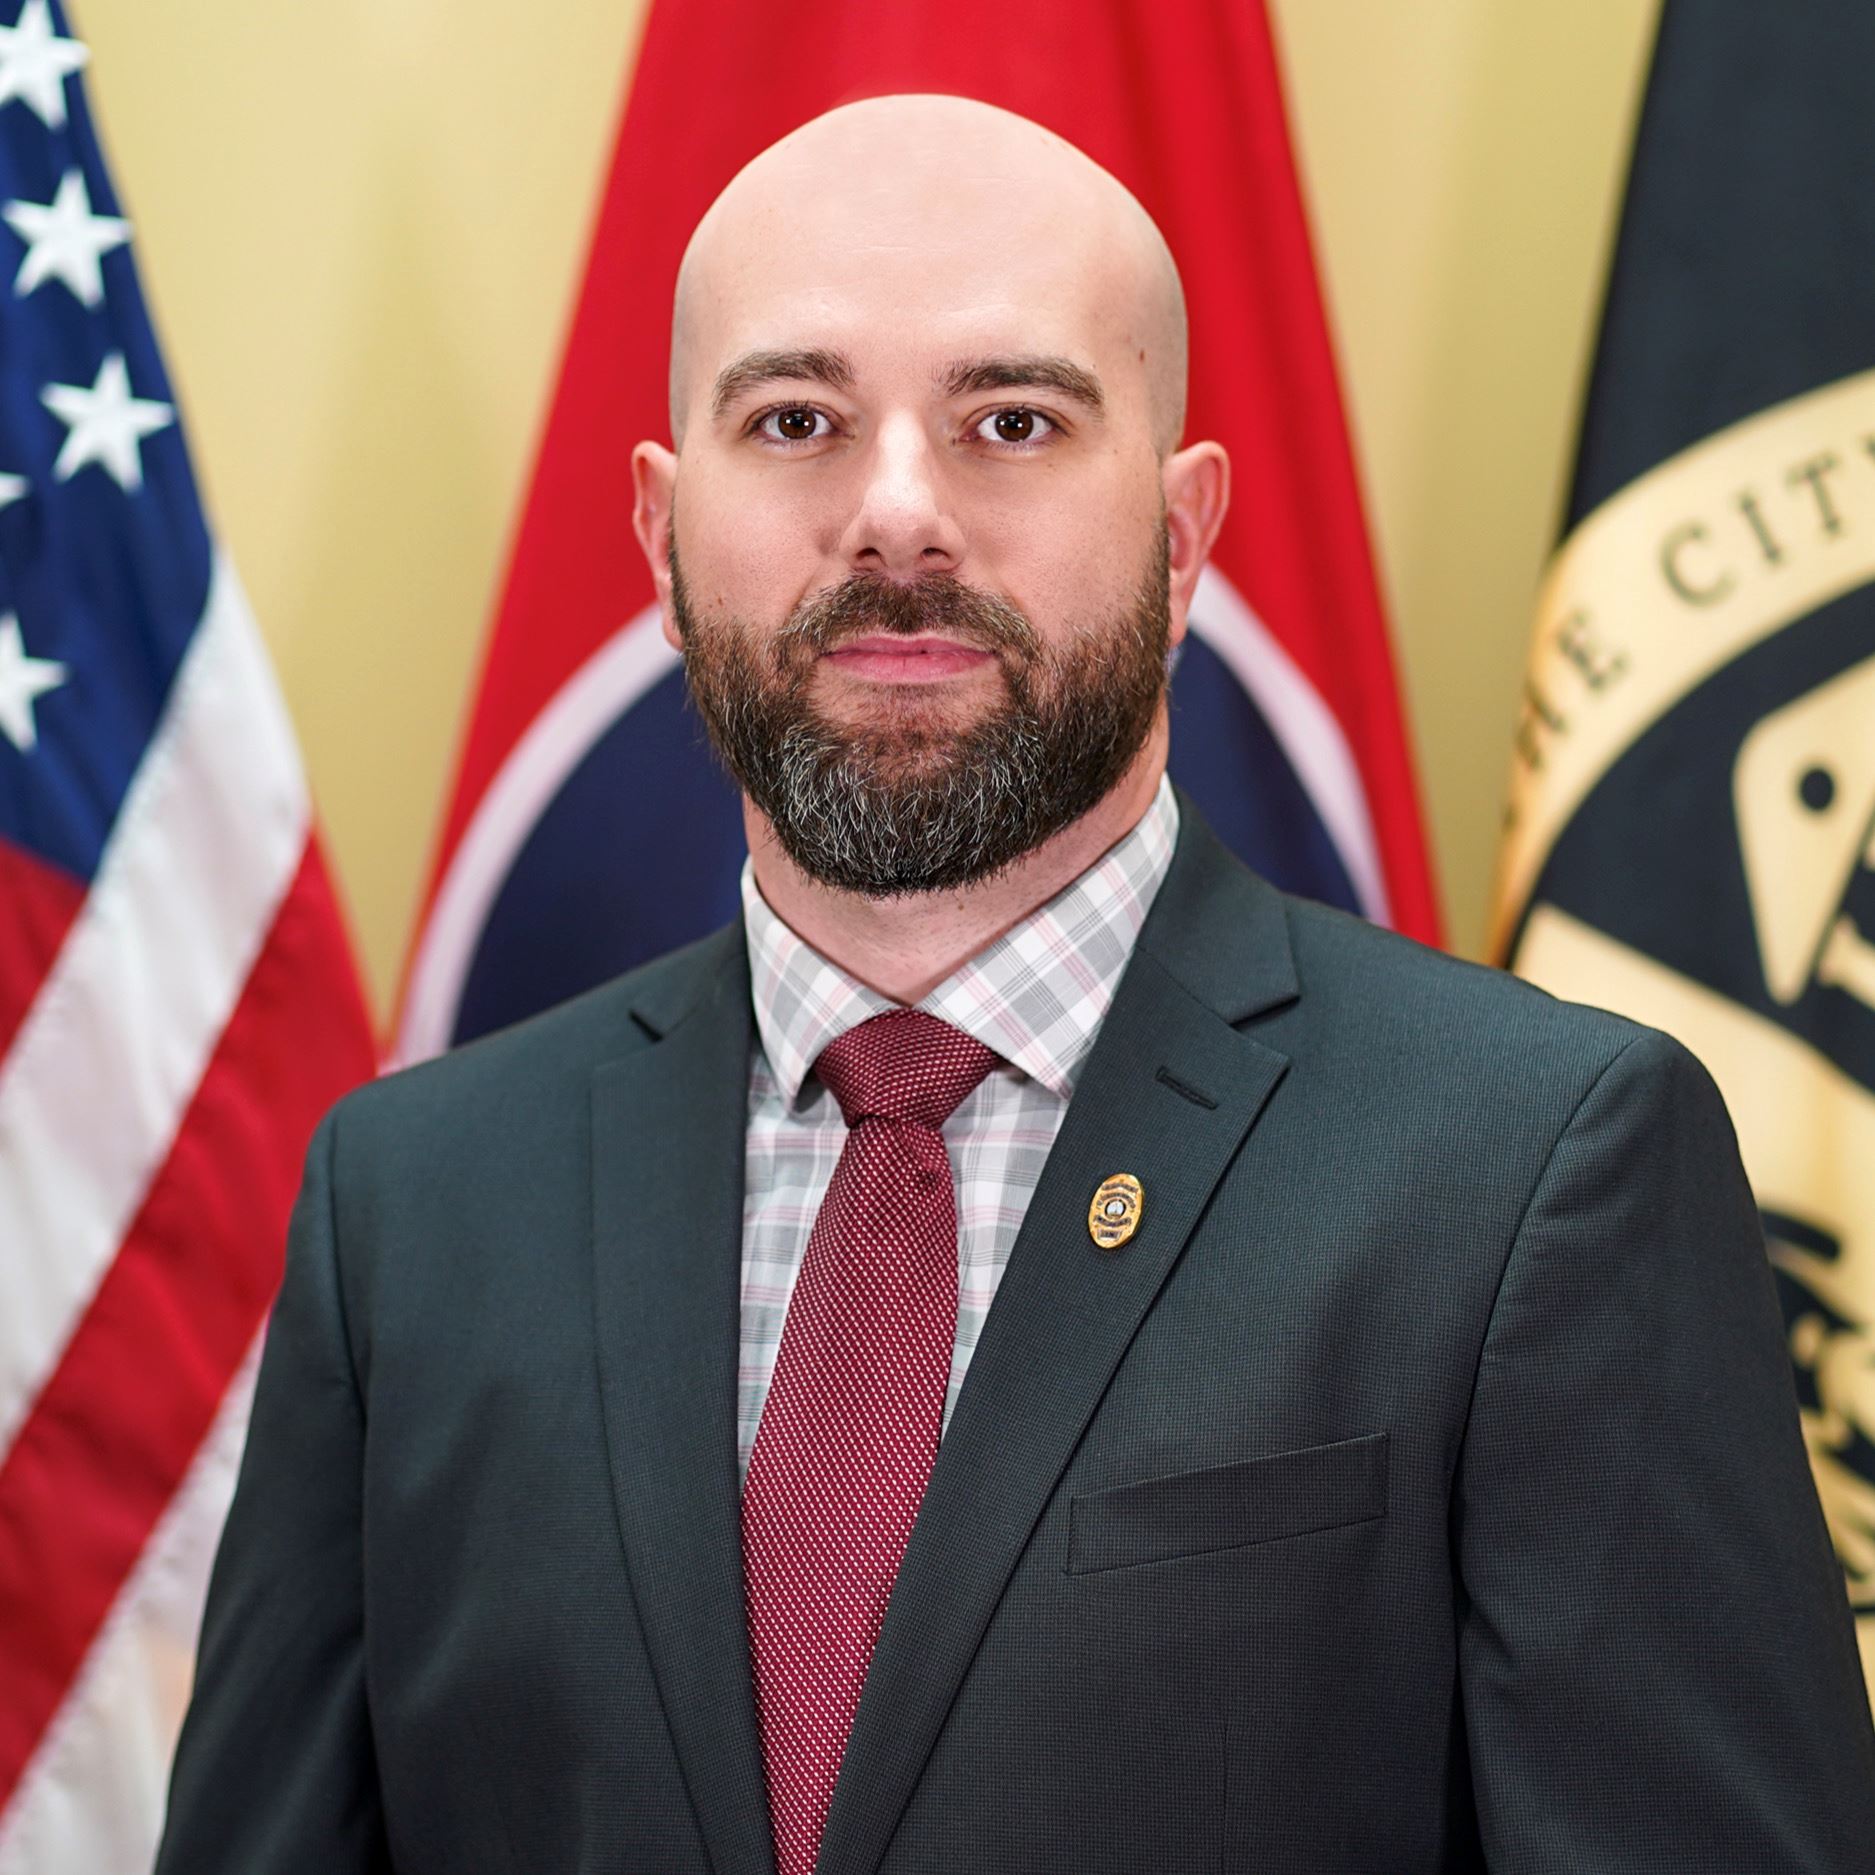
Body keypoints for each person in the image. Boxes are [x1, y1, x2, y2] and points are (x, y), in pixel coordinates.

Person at [155, 95, 1875, 1874]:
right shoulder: (409, 1209)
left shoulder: (1538, 1171)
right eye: (799, 419)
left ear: (1184, 529)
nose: (899, 516)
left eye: (1015, 420)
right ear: (663, 537)